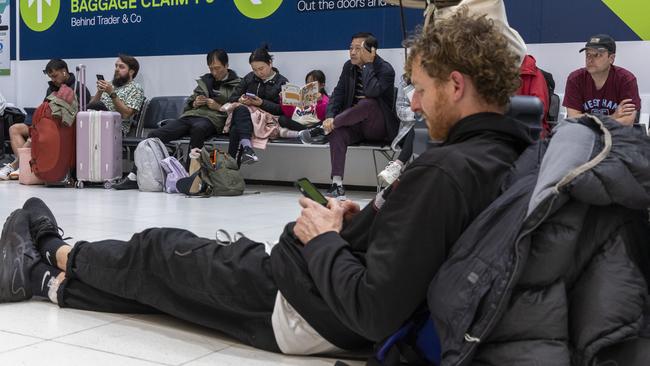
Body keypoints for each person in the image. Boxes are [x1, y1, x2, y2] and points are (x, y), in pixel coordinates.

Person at [0, 11, 534, 357]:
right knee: (164, 287)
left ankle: (50, 248)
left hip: (307, 304)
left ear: (457, 85)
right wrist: (358, 222)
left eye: (419, 90)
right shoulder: (500, 156)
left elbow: (374, 310)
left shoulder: (446, 171)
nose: (413, 103)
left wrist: (323, 235)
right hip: (315, 292)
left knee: (159, 250)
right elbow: (409, 253)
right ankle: (46, 278)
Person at [112, 49, 241, 190]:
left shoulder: (237, 84)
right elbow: (189, 102)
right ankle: (134, 175)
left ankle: (188, 177)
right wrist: (195, 102)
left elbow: (237, 107)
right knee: (153, 135)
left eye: (217, 68)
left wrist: (218, 106)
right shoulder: (205, 80)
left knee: (198, 130)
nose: (214, 72)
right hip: (191, 115)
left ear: (226, 66)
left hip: (214, 119)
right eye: (211, 69)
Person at [299, 33, 399, 199]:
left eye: (358, 49)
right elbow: (338, 94)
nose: (352, 52)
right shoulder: (349, 67)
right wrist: (330, 117)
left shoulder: (385, 69)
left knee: (368, 103)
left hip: (379, 128)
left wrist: (368, 65)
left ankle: (321, 130)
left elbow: (371, 91)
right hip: (355, 126)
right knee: (336, 132)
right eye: (351, 48)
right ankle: (337, 185)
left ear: (371, 51)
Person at [0, 59, 91, 180]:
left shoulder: (79, 89)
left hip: (64, 129)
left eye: (55, 76)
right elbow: (44, 110)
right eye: (50, 77)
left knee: (34, 136)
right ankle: (24, 165)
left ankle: (18, 165)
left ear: (64, 72)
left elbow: (79, 115)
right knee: (15, 129)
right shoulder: (51, 89)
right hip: (47, 126)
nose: (53, 80)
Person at [225, 45, 288, 166]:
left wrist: (261, 103)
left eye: (261, 68)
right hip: (247, 119)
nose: (258, 73)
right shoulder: (249, 78)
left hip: (267, 121)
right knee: (240, 110)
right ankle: (244, 155)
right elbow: (232, 98)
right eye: (254, 69)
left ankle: (232, 168)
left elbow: (282, 110)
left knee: (235, 129)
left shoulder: (282, 82)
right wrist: (241, 99)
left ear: (270, 63)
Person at [563, 34, 641, 126]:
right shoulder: (575, 79)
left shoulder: (626, 80)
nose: (590, 59)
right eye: (588, 54)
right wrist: (612, 118)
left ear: (611, 58)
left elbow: (627, 122)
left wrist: (587, 121)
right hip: (585, 137)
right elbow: (573, 119)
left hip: (617, 137)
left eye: (597, 55)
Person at [377, 75, 423, 185]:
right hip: (408, 131)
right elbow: (400, 111)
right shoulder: (406, 79)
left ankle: (397, 165)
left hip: (435, 129)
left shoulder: (440, 77)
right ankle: (399, 169)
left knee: (423, 124)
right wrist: (420, 112)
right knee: (421, 123)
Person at [87, 54, 145, 136]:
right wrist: (99, 92)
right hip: (95, 123)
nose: (117, 69)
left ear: (131, 72)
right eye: (116, 66)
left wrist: (111, 93)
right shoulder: (110, 85)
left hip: (116, 128)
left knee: (99, 106)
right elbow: (91, 106)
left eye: (121, 67)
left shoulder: (136, 88)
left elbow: (126, 114)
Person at [278, 70, 330, 139]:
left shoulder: (325, 99)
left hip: (314, 124)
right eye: (307, 83)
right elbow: (290, 114)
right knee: (282, 119)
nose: (309, 86)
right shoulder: (301, 96)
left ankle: (301, 133)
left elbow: (322, 117)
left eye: (313, 84)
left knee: (325, 122)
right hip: (299, 124)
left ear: (322, 85)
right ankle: (308, 133)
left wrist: (319, 102)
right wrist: (284, 100)